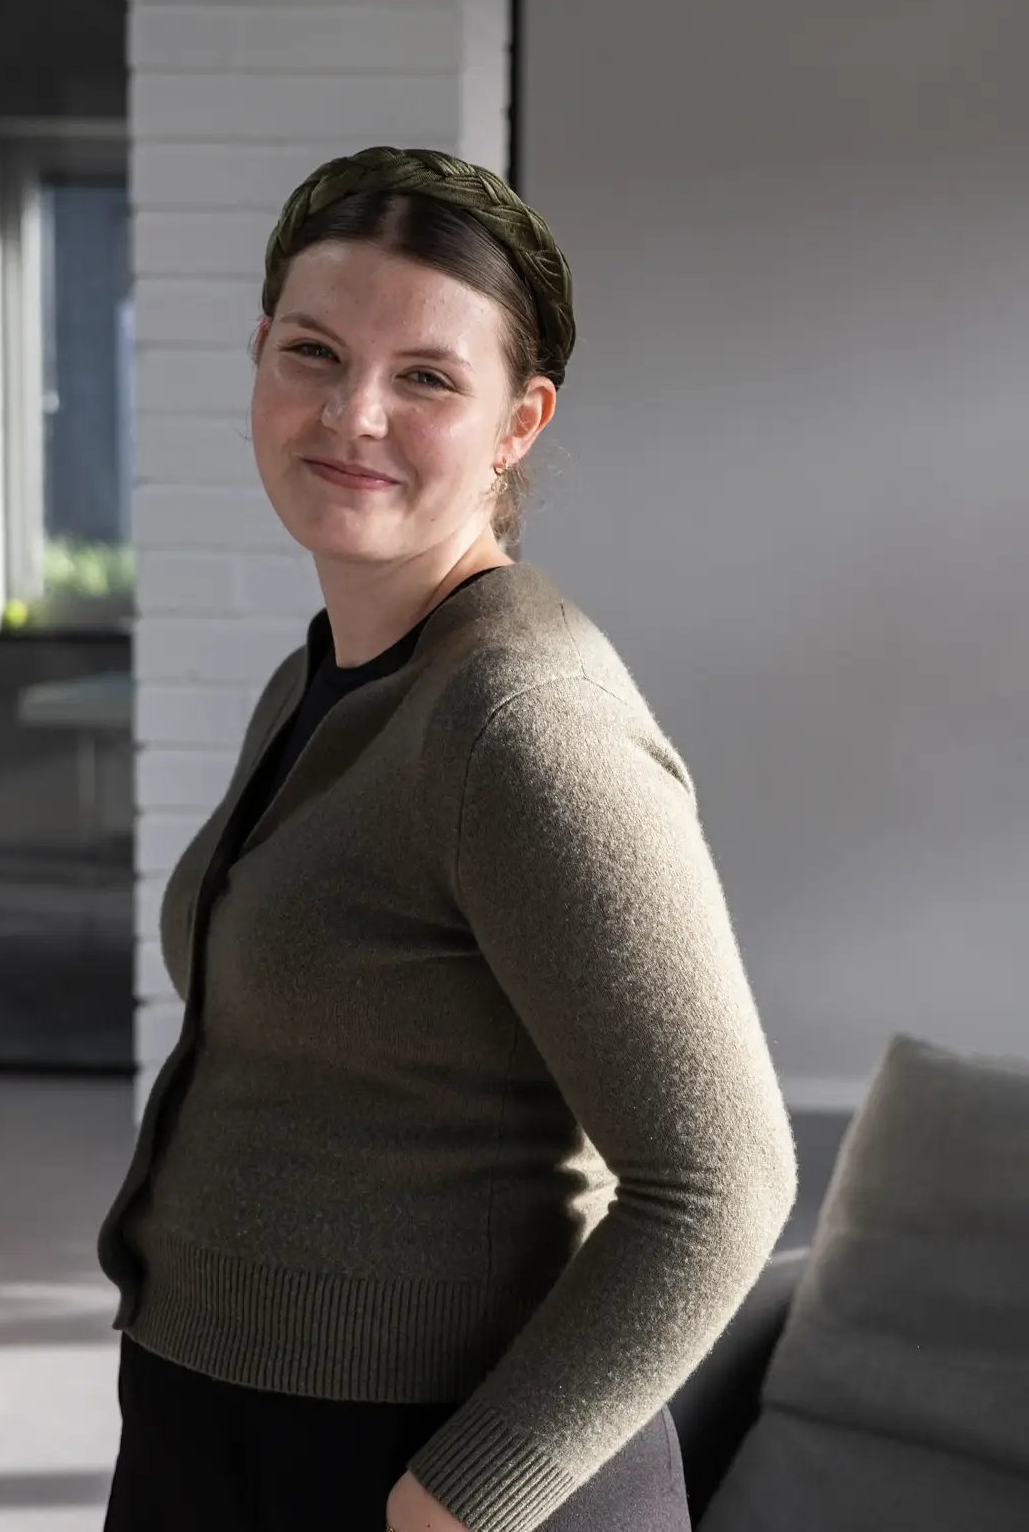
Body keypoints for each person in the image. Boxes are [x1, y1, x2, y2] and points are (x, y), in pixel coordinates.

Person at [98, 147, 798, 1532]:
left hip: (428, 1469)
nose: (352, 413)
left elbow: (723, 1178)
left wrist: (458, 1500)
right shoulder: (331, 674)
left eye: (427, 376)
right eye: (313, 351)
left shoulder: (517, 718)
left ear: (518, 421)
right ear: (259, 358)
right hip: (226, 1422)